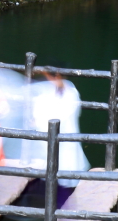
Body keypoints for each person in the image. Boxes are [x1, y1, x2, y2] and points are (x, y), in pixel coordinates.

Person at [31, 69, 89, 207]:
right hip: (48, 144)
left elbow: (60, 118)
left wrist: (38, 122)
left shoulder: (71, 93)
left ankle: (60, 216)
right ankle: (52, 215)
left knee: (63, 181)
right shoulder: (47, 91)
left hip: (64, 144)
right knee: (51, 179)